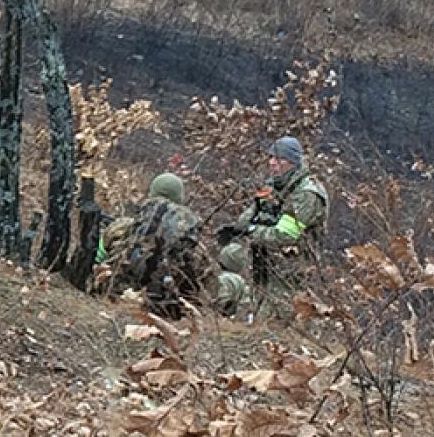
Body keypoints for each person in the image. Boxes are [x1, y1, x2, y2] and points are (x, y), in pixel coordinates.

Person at [221, 135, 329, 288]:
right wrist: (237, 229)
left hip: (292, 273)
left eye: (279, 159)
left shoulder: (307, 193)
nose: (272, 163)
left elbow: (286, 235)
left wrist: (252, 230)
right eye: (271, 157)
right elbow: (253, 210)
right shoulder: (274, 185)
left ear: (293, 162)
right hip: (265, 266)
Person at [98, 172, 209, 317]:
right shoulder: (192, 243)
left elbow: (99, 258)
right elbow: (198, 287)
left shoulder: (122, 227)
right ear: (180, 199)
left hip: (117, 293)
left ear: (151, 194)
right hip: (164, 309)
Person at [215, 241, 255, 319]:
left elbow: (219, 302)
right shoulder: (241, 281)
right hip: (232, 321)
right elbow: (246, 304)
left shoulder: (222, 278)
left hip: (218, 320)